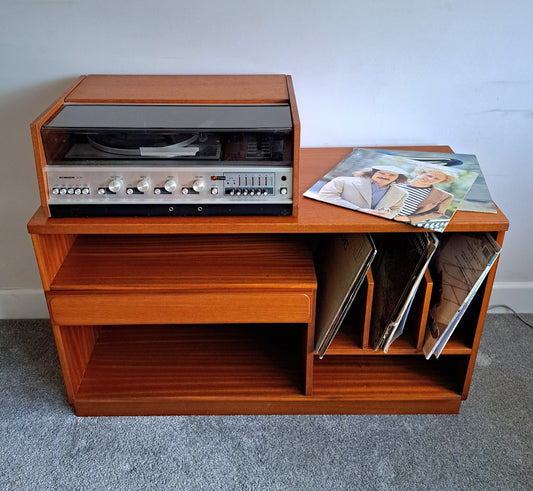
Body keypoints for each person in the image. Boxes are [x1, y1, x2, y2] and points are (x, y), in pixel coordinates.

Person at [317, 165, 408, 218]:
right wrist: (358, 210)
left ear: (398, 178)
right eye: (382, 173)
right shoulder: (342, 181)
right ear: (373, 173)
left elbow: (395, 209)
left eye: (392, 175)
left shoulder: (402, 193)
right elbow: (326, 196)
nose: (385, 176)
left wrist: (385, 215)